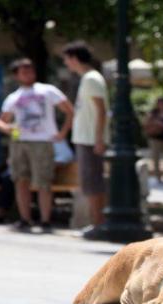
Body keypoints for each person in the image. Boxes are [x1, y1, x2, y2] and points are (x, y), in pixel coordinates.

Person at [0, 58, 74, 233]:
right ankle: (25, 219)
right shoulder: (13, 97)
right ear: (16, 75)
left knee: (43, 181)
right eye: (23, 71)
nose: (28, 74)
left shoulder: (48, 90)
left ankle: (45, 221)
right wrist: (9, 129)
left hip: (43, 141)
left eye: (30, 70)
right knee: (20, 180)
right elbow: (1, 122)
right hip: (19, 142)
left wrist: (62, 133)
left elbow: (69, 110)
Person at [61, 40, 111, 237]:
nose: (66, 64)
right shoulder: (88, 78)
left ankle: (98, 224)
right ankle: (96, 223)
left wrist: (99, 139)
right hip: (87, 138)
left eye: (67, 59)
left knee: (92, 183)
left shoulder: (91, 79)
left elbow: (101, 111)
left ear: (74, 58)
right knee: (89, 183)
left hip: (90, 139)